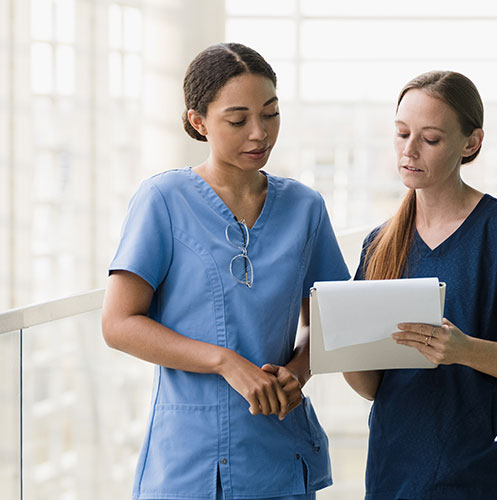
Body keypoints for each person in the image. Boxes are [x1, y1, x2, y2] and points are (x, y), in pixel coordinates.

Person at [100, 42, 350, 500]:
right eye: (238, 120)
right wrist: (226, 362)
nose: (260, 133)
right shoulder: (164, 200)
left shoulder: (305, 208)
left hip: (278, 450)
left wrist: (299, 371)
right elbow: (118, 325)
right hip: (189, 459)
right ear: (199, 122)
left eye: (271, 114)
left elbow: (331, 324)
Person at [343, 70, 497, 499]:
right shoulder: (380, 244)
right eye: (401, 133)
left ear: (471, 142)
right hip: (395, 473)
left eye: (430, 139)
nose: (409, 151)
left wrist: (463, 351)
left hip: (481, 475)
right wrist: (340, 348)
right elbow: (374, 387)